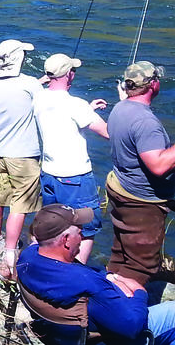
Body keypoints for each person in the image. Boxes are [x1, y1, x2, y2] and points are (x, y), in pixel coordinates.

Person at [15, 204, 175, 345]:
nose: (83, 236)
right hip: (105, 337)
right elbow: (132, 328)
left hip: (57, 333)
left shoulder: (27, 258)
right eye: (80, 232)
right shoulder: (87, 284)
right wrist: (139, 292)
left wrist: (110, 278)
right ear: (65, 240)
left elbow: (87, 277)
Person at [105, 61, 175, 285]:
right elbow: (159, 167)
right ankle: (126, 312)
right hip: (141, 203)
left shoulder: (121, 108)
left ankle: (109, 289)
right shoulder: (145, 122)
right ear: (153, 85)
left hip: (122, 190)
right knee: (142, 264)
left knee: (122, 251)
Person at [33, 53, 109, 265]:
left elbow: (60, 115)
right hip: (74, 177)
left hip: (48, 174)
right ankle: (77, 275)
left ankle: (45, 265)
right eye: (72, 70)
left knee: (52, 227)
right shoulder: (76, 104)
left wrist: (88, 109)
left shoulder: (38, 97)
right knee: (86, 229)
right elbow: (108, 132)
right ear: (68, 75)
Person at [0, 39, 43, 279]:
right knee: (22, 205)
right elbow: (43, 105)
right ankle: (12, 255)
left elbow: (18, 95)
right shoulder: (29, 84)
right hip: (24, 155)